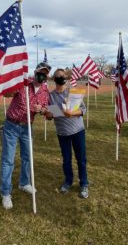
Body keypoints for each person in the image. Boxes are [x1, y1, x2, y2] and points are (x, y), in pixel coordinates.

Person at [0, 62, 51, 209]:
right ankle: (5, 192)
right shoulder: (23, 84)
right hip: (11, 125)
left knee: (27, 157)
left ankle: (24, 183)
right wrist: (10, 89)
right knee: (8, 159)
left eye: (45, 74)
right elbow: (6, 94)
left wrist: (41, 109)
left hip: (27, 127)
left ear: (47, 77)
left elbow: (48, 112)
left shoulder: (44, 92)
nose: (42, 75)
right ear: (35, 72)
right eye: (40, 72)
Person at [45, 68, 89, 199]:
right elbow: (49, 116)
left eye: (62, 75)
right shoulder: (50, 96)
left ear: (66, 78)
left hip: (78, 131)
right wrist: (47, 114)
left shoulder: (73, 92)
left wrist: (71, 113)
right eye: (58, 76)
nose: (60, 77)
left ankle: (84, 183)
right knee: (67, 159)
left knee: (81, 159)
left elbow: (83, 109)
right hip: (62, 133)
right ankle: (68, 181)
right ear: (54, 79)